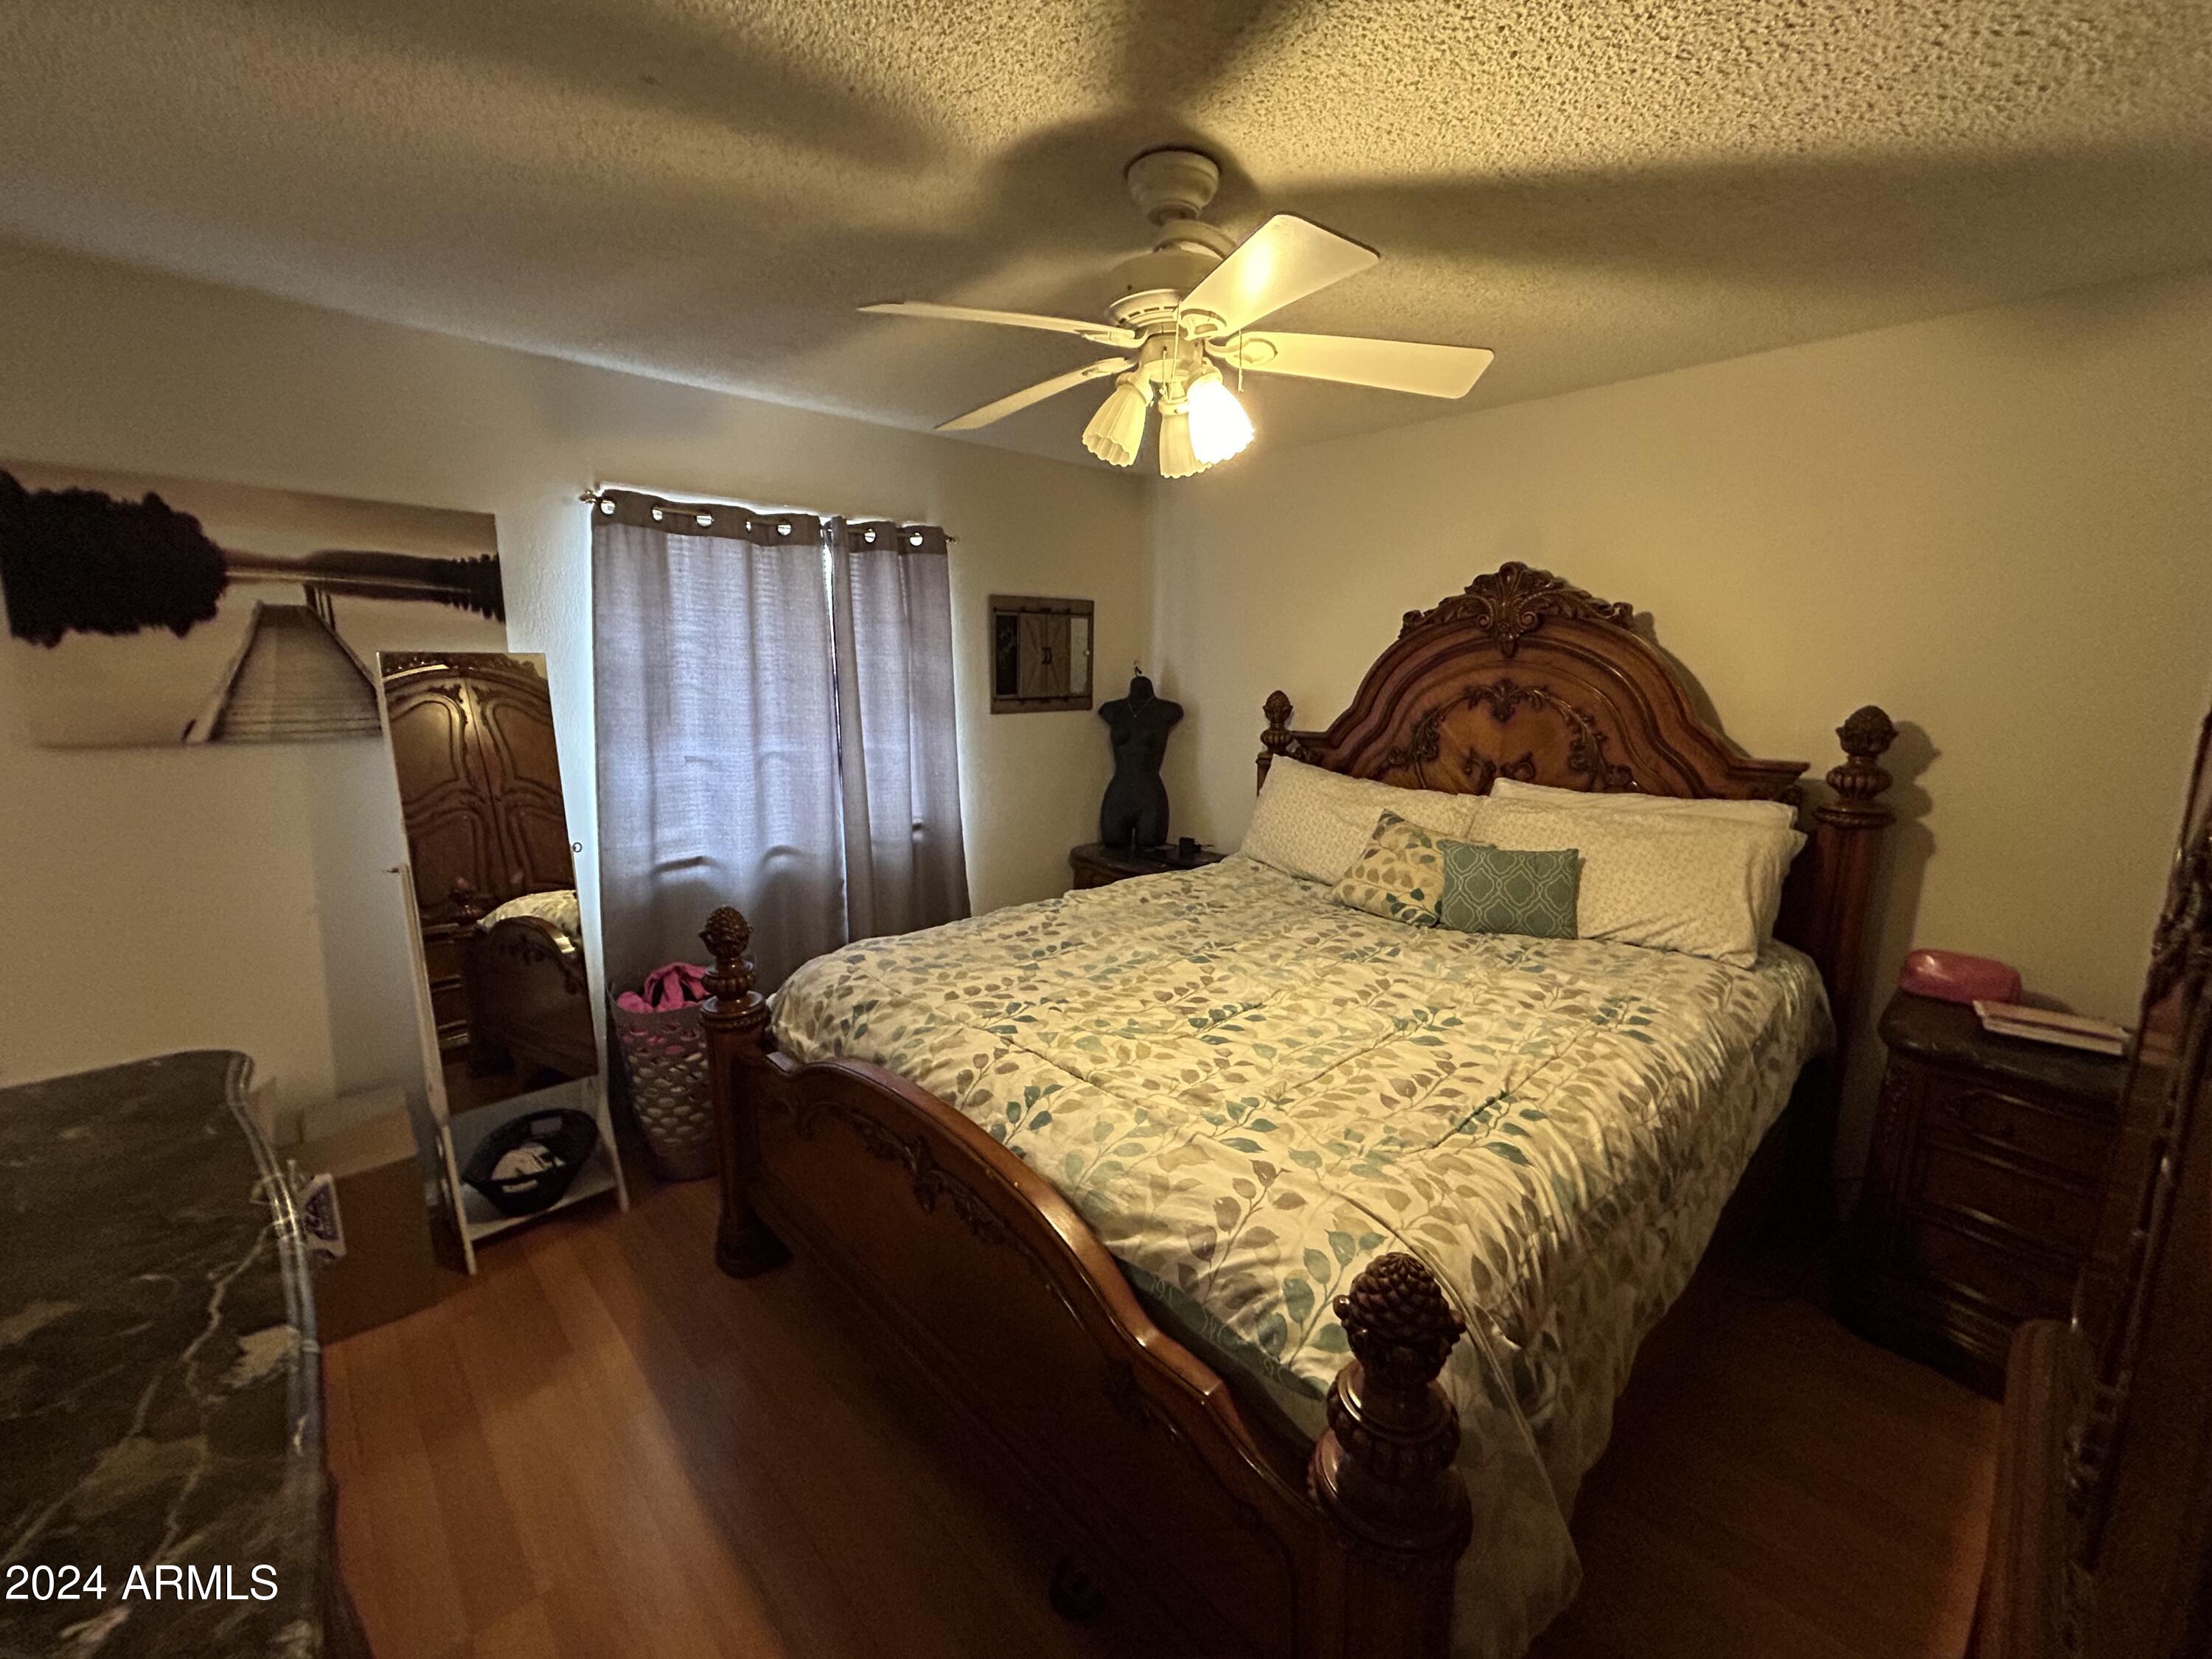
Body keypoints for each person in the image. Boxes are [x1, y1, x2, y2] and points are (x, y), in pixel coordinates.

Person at [1098, 669, 1183, 849]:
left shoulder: (1168, 711)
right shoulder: (1112, 710)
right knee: (1111, 850)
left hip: (1150, 795)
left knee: (1151, 854)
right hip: (1119, 792)